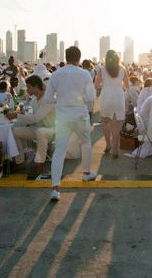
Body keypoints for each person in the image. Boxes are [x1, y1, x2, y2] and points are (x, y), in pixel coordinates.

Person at [43, 46, 97, 201]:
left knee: (59, 150)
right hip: (80, 114)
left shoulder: (56, 74)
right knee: (86, 142)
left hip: (62, 116)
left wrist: (60, 101)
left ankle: (55, 187)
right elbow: (91, 97)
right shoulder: (85, 74)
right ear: (79, 59)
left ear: (66, 58)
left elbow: (47, 99)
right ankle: (86, 173)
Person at [7, 75, 55, 176]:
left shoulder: (48, 100)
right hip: (37, 128)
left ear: (36, 86)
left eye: (28, 87)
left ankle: (39, 165)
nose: (27, 89)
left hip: (52, 130)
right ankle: (20, 162)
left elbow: (35, 118)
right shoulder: (33, 100)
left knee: (41, 132)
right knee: (13, 131)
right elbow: (30, 119)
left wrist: (16, 115)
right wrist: (13, 121)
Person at [94, 50, 128, 158]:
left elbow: (96, 85)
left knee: (105, 121)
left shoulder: (102, 69)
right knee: (116, 123)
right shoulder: (123, 69)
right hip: (118, 96)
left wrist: (105, 84)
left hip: (106, 95)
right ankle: (115, 148)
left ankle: (108, 144)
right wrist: (118, 85)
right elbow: (126, 85)